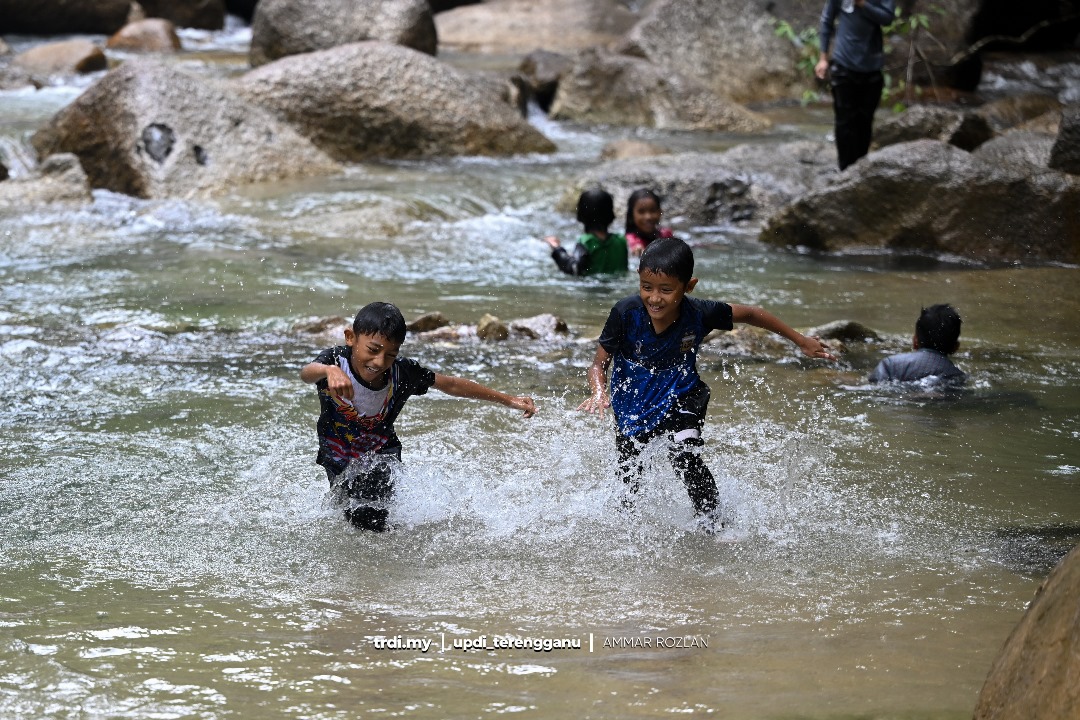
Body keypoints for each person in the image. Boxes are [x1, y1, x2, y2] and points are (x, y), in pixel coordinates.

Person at [578, 237, 836, 530]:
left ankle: (714, 525)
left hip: (683, 393)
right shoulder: (626, 313)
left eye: (666, 290)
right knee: (630, 476)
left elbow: (751, 313)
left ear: (688, 286)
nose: (654, 298)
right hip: (633, 403)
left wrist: (801, 341)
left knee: (685, 455)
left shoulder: (699, 312)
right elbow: (599, 363)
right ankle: (625, 532)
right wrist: (599, 391)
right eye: (646, 287)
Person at [300, 302, 536, 532]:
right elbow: (306, 373)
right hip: (337, 453)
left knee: (372, 522)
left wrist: (508, 399)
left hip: (380, 456)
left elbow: (451, 384)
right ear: (350, 338)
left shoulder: (402, 373)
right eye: (373, 350)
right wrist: (328, 371)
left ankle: (381, 565)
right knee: (346, 515)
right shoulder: (334, 361)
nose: (380, 362)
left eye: (390, 354)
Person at [815, 0, 897, 170]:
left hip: (872, 68)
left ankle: (860, 169)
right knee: (844, 121)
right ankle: (845, 170)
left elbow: (887, 19)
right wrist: (823, 59)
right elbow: (826, 21)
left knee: (864, 121)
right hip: (843, 65)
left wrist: (862, 4)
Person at [869, 304, 965, 385]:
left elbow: (875, 387)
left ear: (915, 341)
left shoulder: (890, 364)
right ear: (955, 347)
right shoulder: (957, 376)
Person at [544, 188, 628, 276]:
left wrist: (557, 249)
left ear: (580, 215)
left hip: (591, 288)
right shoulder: (621, 241)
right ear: (611, 215)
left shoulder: (587, 242)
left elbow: (573, 268)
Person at [625, 188, 675, 256]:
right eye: (641, 212)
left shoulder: (666, 234)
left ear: (660, 212)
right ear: (631, 215)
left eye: (653, 210)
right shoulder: (629, 240)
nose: (648, 217)